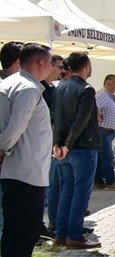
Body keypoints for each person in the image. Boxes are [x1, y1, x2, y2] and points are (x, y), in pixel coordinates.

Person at [0, 43, 55, 257]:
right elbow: (14, 129)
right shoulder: (28, 88)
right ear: (41, 64)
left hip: (22, 171)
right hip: (25, 172)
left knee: (17, 233)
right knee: (22, 234)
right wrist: (3, 149)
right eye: (50, 62)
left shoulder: (12, 82)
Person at [52, 51, 101, 249]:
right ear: (86, 66)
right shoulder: (87, 89)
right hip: (81, 148)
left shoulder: (60, 86)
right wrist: (67, 144)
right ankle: (74, 235)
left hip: (63, 148)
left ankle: (61, 234)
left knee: (67, 191)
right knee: (81, 193)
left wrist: (58, 144)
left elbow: (57, 118)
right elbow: (81, 120)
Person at [41, 55, 66, 235]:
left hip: (52, 142)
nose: (61, 71)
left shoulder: (51, 88)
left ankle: (49, 222)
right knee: (48, 183)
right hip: (44, 144)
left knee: (52, 183)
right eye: (59, 67)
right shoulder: (39, 89)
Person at [94, 74, 115, 190]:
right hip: (103, 131)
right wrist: (97, 116)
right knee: (107, 157)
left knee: (101, 158)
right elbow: (93, 106)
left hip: (107, 132)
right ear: (109, 83)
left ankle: (98, 181)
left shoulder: (110, 96)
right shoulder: (102, 94)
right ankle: (111, 182)